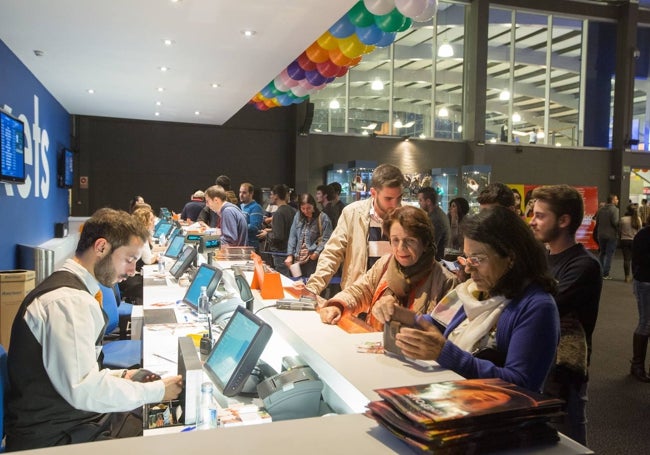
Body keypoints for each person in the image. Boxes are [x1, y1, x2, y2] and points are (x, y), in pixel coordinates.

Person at [5, 208, 183, 451]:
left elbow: (73, 373)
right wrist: (157, 391)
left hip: (71, 422)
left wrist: (123, 376)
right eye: (129, 259)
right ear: (101, 248)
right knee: (172, 439)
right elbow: (83, 389)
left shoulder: (73, 291)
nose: (132, 270)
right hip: (54, 438)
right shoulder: (68, 302)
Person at [391, 207, 560, 393]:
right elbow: (435, 323)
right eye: (466, 258)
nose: (469, 269)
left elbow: (520, 384)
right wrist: (399, 314)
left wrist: (445, 353)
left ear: (511, 257)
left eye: (478, 259)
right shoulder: (470, 290)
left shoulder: (535, 307)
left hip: (489, 414)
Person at [529, 184, 602, 445]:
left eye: (540, 215)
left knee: (568, 441)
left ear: (563, 220)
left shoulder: (584, 265)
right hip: (538, 361)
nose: (533, 222)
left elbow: (542, 306)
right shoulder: (543, 259)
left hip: (565, 371)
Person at [319, 206, 456, 330]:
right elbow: (360, 291)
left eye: (410, 240)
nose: (401, 248)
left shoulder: (446, 281)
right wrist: (338, 305)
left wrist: (403, 316)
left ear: (425, 243)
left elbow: (443, 333)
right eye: (395, 240)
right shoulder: (385, 263)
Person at [305, 163, 405, 295]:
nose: (395, 204)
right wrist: (313, 287)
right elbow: (333, 252)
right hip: (357, 298)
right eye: (388, 198)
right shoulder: (352, 213)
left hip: (395, 300)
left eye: (399, 198)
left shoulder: (407, 216)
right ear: (373, 193)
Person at [284, 194, 333, 279]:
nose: (306, 211)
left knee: (311, 287)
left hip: (312, 258)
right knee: (297, 286)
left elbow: (327, 238)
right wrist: (290, 255)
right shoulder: (298, 216)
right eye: (303, 208)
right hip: (297, 257)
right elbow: (293, 235)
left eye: (309, 208)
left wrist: (316, 252)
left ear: (313, 205)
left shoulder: (323, 218)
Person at [257, 184, 297, 276]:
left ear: (276, 195)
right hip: (291, 252)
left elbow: (278, 236)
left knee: (283, 281)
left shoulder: (279, 213)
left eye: (271, 194)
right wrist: (270, 231)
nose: (270, 197)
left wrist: (266, 235)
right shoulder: (293, 211)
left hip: (280, 254)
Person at [631, 224, 650, 383]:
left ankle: (637, 365)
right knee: (646, 323)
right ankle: (637, 365)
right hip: (645, 282)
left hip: (643, 280)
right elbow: (640, 260)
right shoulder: (643, 235)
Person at [417, 186, 451, 261]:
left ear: (428, 201)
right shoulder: (436, 214)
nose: (419, 203)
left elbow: (431, 245)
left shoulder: (436, 219)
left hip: (435, 262)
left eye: (420, 200)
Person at [595, 194, 619, 279]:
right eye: (616, 199)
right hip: (611, 235)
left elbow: (597, 222)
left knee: (602, 253)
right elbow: (615, 222)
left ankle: (600, 272)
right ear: (612, 200)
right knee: (609, 255)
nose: (617, 200)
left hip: (601, 234)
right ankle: (606, 274)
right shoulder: (615, 210)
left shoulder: (601, 210)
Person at [620, 203, 642, 283]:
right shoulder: (638, 219)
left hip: (624, 240)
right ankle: (634, 276)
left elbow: (620, 230)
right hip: (635, 241)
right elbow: (640, 231)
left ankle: (626, 277)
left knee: (626, 259)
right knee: (635, 260)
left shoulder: (623, 219)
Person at [239, 182, 264, 251]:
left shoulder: (256, 208)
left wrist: (237, 227)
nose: (241, 195)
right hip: (242, 244)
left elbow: (254, 227)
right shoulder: (241, 206)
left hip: (251, 246)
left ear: (251, 193)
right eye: (240, 192)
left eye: (244, 193)